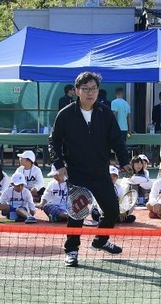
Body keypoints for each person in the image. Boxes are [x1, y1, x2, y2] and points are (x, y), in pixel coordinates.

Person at [51, 71, 132, 267]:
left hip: (100, 172)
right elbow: (54, 141)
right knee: (77, 212)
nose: (90, 93)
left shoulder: (105, 114)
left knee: (112, 209)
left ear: (98, 91)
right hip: (77, 172)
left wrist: (124, 160)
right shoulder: (66, 114)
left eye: (94, 89)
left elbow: (117, 141)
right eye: (86, 89)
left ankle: (100, 241)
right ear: (77, 91)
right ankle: (71, 249)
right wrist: (60, 165)